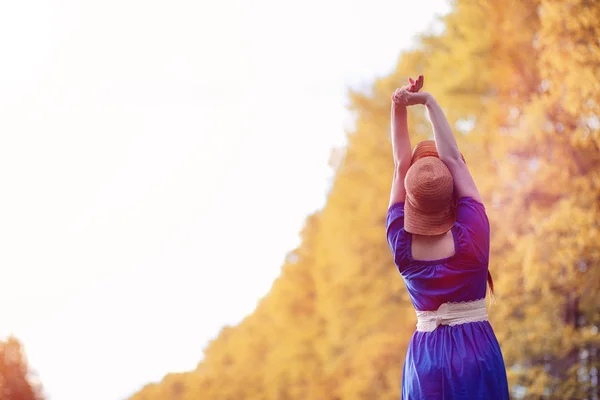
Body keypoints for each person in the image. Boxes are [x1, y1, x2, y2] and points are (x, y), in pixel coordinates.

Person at [386, 75, 510, 399]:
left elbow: (401, 166)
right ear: (451, 193)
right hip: (474, 352)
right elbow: (453, 159)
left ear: (413, 202)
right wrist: (428, 102)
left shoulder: (400, 243)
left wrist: (398, 105)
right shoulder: (473, 234)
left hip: (424, 359)